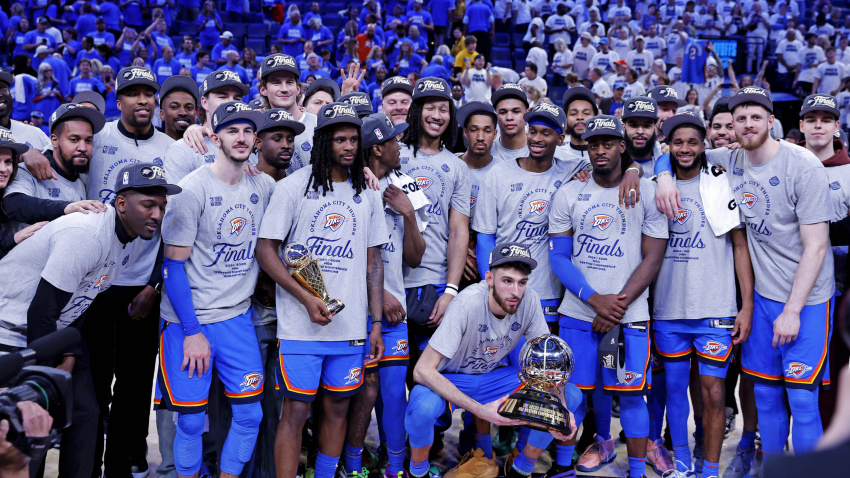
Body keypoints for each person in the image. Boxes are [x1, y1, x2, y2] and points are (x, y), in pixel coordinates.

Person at [655, 86, 835, 462]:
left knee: (802, 398)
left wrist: (792, 310)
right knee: (765, 394)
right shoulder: (730, 160)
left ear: (772, 121)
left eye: (756, 117)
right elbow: (675, 153)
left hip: (807, 300)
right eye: (741, 119)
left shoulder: (802, 165)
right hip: (764, 297)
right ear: (731, 126)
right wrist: (663, 176)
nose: (748, 124)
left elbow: (817, 246)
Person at [0, 159, 178, 478]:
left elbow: (81, 299)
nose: (157, 215)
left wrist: (69, 354)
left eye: (162, 207)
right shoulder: (86, 234)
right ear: (121, 203)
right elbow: (42, 311)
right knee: (29, 425)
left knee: (85, 412)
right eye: (148, 205)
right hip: (11, 334)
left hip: (53, 333)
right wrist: (48, 374)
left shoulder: (131, 242)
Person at [256, 101, 387, 478]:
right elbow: (265, 250)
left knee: (338, 410)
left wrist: (376, 324)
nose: (348, 147)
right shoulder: (293, 188)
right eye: (340, 139)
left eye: (353, 140)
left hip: (350, 328)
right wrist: (305, 297)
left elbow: (374, 262)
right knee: (295, 412)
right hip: (301, 327)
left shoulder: (368, 193)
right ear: (323, 142)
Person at [549, 114, 668, 478]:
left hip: (628, 315)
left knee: (631, 396)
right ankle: (566, 467)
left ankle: (636, 472)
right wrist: (594, 298)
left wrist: (615, 305)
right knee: (573, 396)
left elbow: (653, 257)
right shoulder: (569, 193)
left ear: (621, 146)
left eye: (607, 143)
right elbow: (559, 257)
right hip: (578, 313)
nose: (600, 150)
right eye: (593, 144)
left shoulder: (646, 191)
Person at [157, 101, 271, 478]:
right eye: (232, 130)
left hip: (236, 318)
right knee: (191, 422)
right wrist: (192, 332)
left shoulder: (263, 185)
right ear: (215, 138)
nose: (241, 137)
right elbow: (172, 266)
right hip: (188, 322)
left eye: (248, 131)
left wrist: (364, 172)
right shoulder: (192, 189)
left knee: (250, 415)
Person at [404, 242, 580, 478]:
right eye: (507, 281)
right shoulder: (467, 303)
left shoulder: (529, 299)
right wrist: (481, 410)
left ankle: (520, 470)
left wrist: (562, 411)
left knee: (570, 395)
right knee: (421, 407)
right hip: (454, 379)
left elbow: (545, 366)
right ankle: (418, 472)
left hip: (494, 379)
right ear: (489, 279)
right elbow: (422, 370)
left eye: (522, 282)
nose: (515, 291)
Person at [652, 112, 755, 478]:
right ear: (668, 146)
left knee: (714, 393)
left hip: (715, 308)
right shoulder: (655, 185)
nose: (685, 149)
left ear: (704, 144)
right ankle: (682, 459)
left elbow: (740, 247)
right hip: (669, 309)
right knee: (675, 391)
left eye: (693, 142)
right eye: (678, 142)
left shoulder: (722, 182)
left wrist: (746, 305)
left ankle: (710, 469)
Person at [246, 107, 307, 478]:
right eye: (277, 137)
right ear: (258, 142)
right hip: (252, 308)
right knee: (248, 403)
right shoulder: (245, 182)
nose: (286, 144)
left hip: (291, 308)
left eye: (290, 138)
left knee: (281, 404)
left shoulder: (299, 183)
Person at [399, 77, 471, 373]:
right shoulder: (392, 154)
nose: (437, 116)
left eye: (443, 109)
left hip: (435, 282)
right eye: (430, 108)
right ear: (416, 111)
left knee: (431, 376)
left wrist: (451, 290)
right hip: (391, 281)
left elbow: (458, 231)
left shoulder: (458, 167)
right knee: (389, 380)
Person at [2, 104, 106, 230]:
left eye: (88, 141)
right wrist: (66, 208)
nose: (83, 148)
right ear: (54, 141)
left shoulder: (81, 181)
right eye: (74, 139)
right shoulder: (30, 169)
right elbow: (13, 204)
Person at [163, 70, 250, 184]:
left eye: (237, 99)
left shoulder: (249, 146)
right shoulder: (183, 149)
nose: (231, 103)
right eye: (222, 97)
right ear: (204, 103)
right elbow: (176, 195)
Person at [490, 84, 531, 162]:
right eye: (503, 112)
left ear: (527, 114)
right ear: (496, 117)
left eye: (516, 112)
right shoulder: (486, 151)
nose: (509, 117)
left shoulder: (543, 152)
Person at [158, 75, 199, 141]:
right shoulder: (151, 146)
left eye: (189, 108)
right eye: (174, 107)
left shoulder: (207, 146)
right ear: (162, 114)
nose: (183, 113)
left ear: (195, 115)